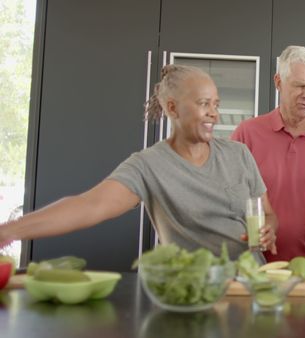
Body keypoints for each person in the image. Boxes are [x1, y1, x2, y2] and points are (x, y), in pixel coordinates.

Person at [0, 64, 277, 261]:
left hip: (250, 284)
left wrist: (269, 229)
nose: (214, 114)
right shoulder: (148, 166)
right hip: (192, 288)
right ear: (172, 108)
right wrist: (11, 230)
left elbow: (267, 212)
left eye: (216, 104)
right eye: (205, 104)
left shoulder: (239, 155)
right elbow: (90, 205)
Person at [231, 46, 305, 273]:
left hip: (301, 267)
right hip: (246, 264)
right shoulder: (246, 134)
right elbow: (227, 196)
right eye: (300, 86)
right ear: (278, 82)